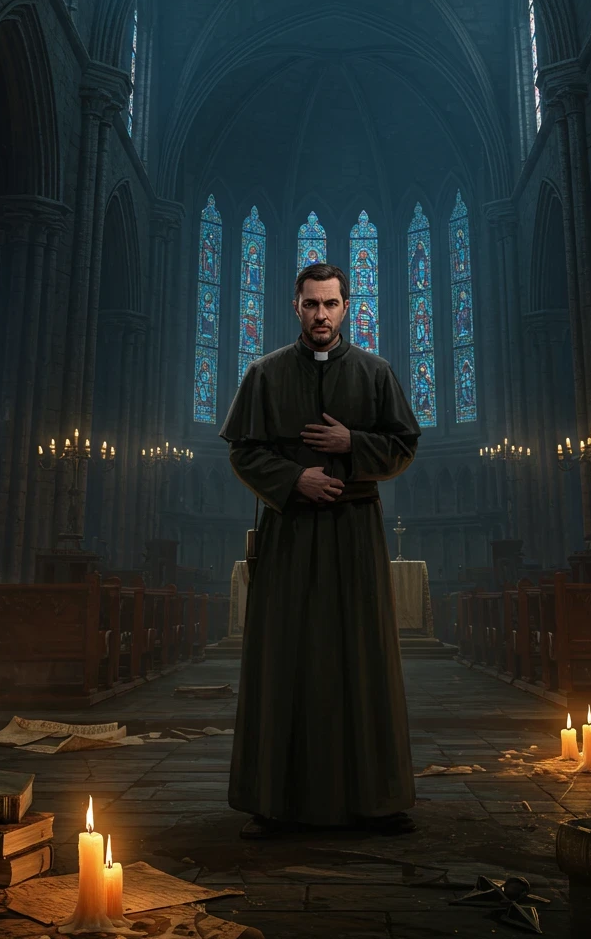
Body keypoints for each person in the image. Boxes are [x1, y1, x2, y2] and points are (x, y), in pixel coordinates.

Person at [219, 262, 420, 839]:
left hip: (354, 532)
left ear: (347, 306)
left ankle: (377, 802)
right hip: (291, 534)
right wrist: (293, 480)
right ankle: (273, 803)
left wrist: (351, 443)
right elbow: (243, 451)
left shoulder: (376, 372)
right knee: (285, 658)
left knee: (364, 657)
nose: (321, 315)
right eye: (311, 304)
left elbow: (404, 445)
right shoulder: (265, 374)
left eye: (331, 304)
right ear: (296, 306)